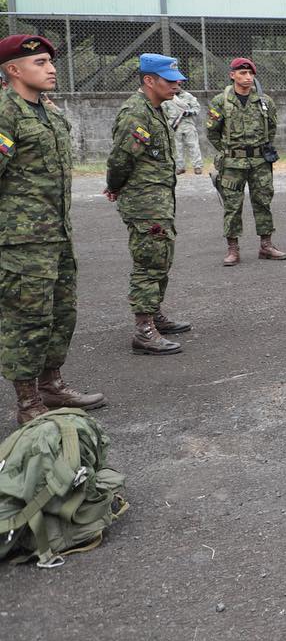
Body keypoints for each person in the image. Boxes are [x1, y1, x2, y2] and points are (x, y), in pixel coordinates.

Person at [0, 34, 105, 423]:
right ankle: (28, 403)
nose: (51, 68)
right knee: (26, 321)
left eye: (50, 62)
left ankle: (51, 385)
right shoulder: (5, 113)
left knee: (61, 314)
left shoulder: (50, 112)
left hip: (57, 235)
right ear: (14, 70)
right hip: (20, 242)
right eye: (40, 63)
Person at [104, 53, 192, 355]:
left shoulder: (155, 109)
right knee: (148, 262)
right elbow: (121, 158)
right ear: (149, 80)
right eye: (170, 80)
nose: (177, 83)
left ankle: (154, 313)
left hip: (158, 200)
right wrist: (114, 186)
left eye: (177, 78)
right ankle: (144, 329)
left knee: (161, 256)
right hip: (144, 203)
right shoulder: (136, 113)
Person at [206, 58, 286, 266]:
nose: (248, 77)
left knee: (263, 202)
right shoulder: (220, 101)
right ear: (232, 75)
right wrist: (228, 151)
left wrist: (261, 149)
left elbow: (272, 129)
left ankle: (266, 245)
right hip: (232, 164)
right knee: (232, 206)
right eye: (242, 73)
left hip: (260, 162)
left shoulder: (265, 102)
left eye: (250, 74)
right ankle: (233, 249)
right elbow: (212, 132)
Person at [163, 87, 204, 175]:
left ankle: (197, 166)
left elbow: (197, 108)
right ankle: (180, 167)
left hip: (188, 124)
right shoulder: (167, 97)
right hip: (174, 126)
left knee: (193, 145)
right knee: (177, 147)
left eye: (177, 85)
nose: (175, 87)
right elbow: (163, 111)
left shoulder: (188, 96)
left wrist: (189, 112)